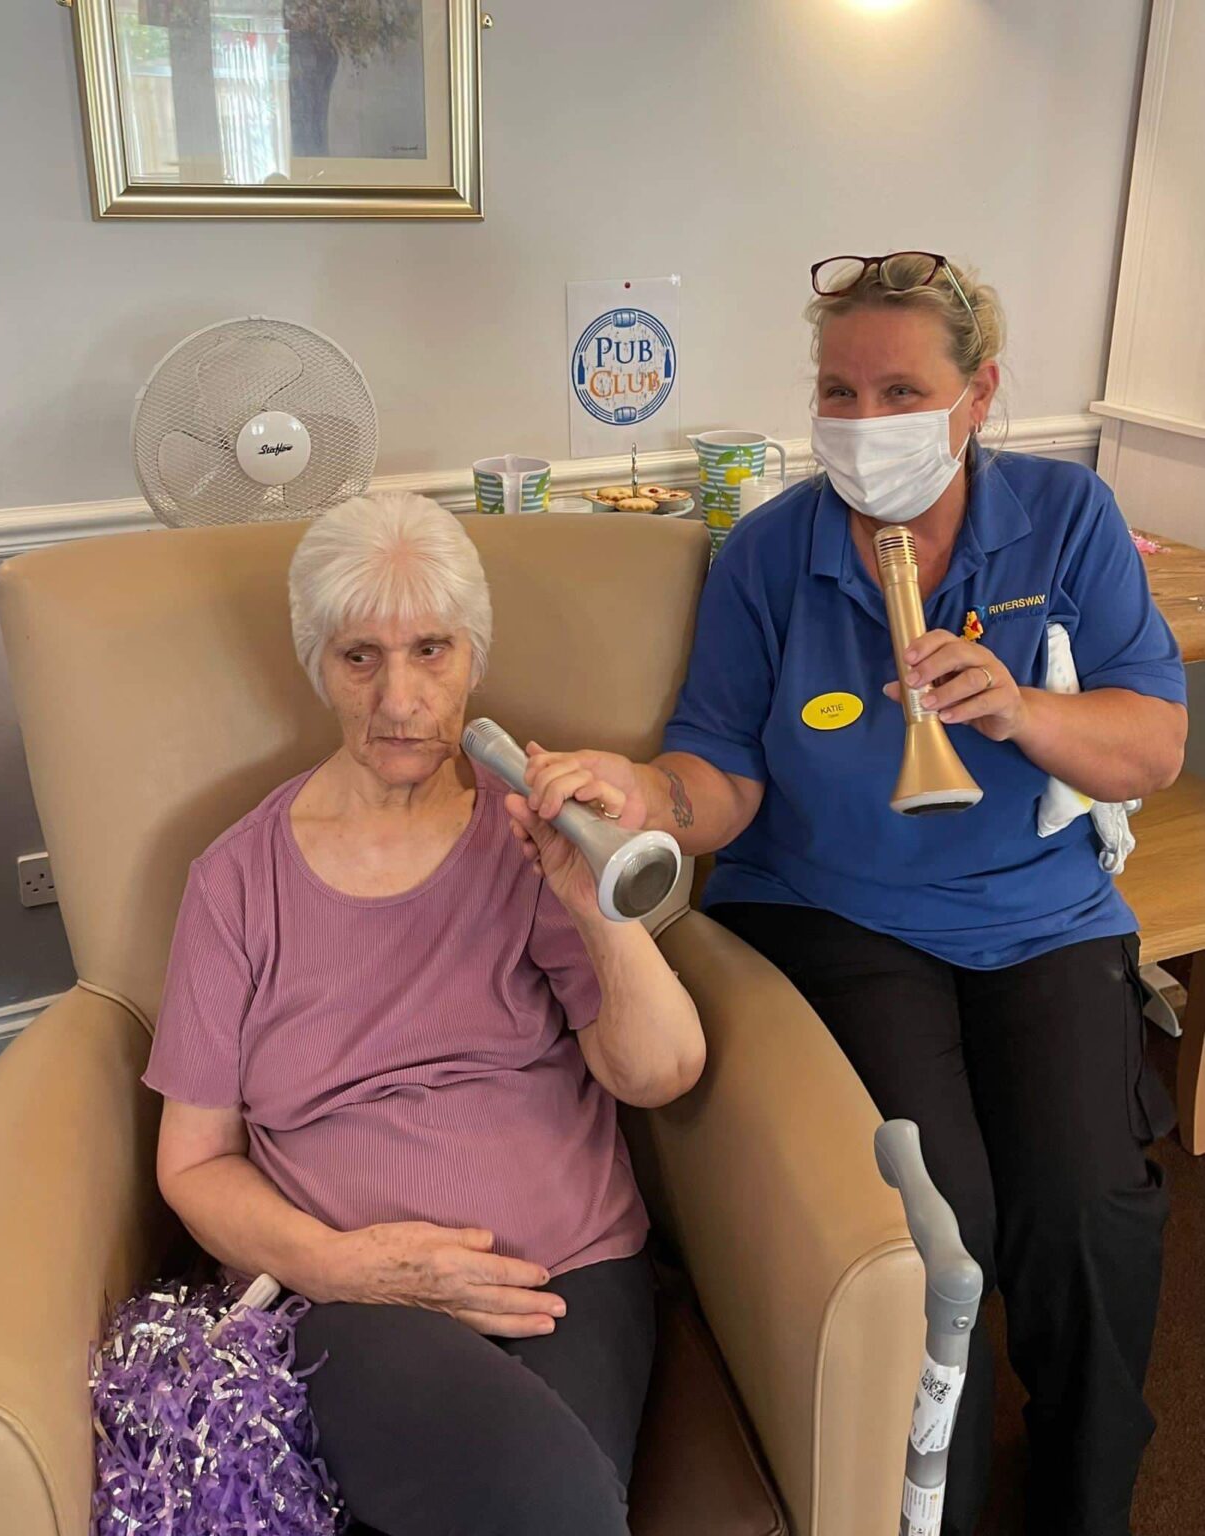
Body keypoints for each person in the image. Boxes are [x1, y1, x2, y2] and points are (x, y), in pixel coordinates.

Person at [522, 253, 1188, 1536]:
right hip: (836, 913)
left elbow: (1153, 746)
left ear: (978, 395)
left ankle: (1088, 1499)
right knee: (943, 1219)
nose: (864, 422)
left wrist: (1024, 711)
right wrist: (641, 793)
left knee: (1088, 1208)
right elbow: (721, 777)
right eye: (840, 391)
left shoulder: (1069, 516)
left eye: (901, 392)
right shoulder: (773, 553)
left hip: (1040, 913)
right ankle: (934, 1505)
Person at [143, 492, 706, 1536]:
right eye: (360, 656)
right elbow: (194, 1162)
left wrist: (597, 910)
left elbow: (661, 1071)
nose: (399, 697)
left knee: (555, 1503)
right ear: (319, 666)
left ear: (473, 659)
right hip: (353, 1297)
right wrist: (348, 1267)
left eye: (431, 650)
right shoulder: (235, 881)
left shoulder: (532, 836)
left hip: (568, 1269)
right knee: (556, 1505)